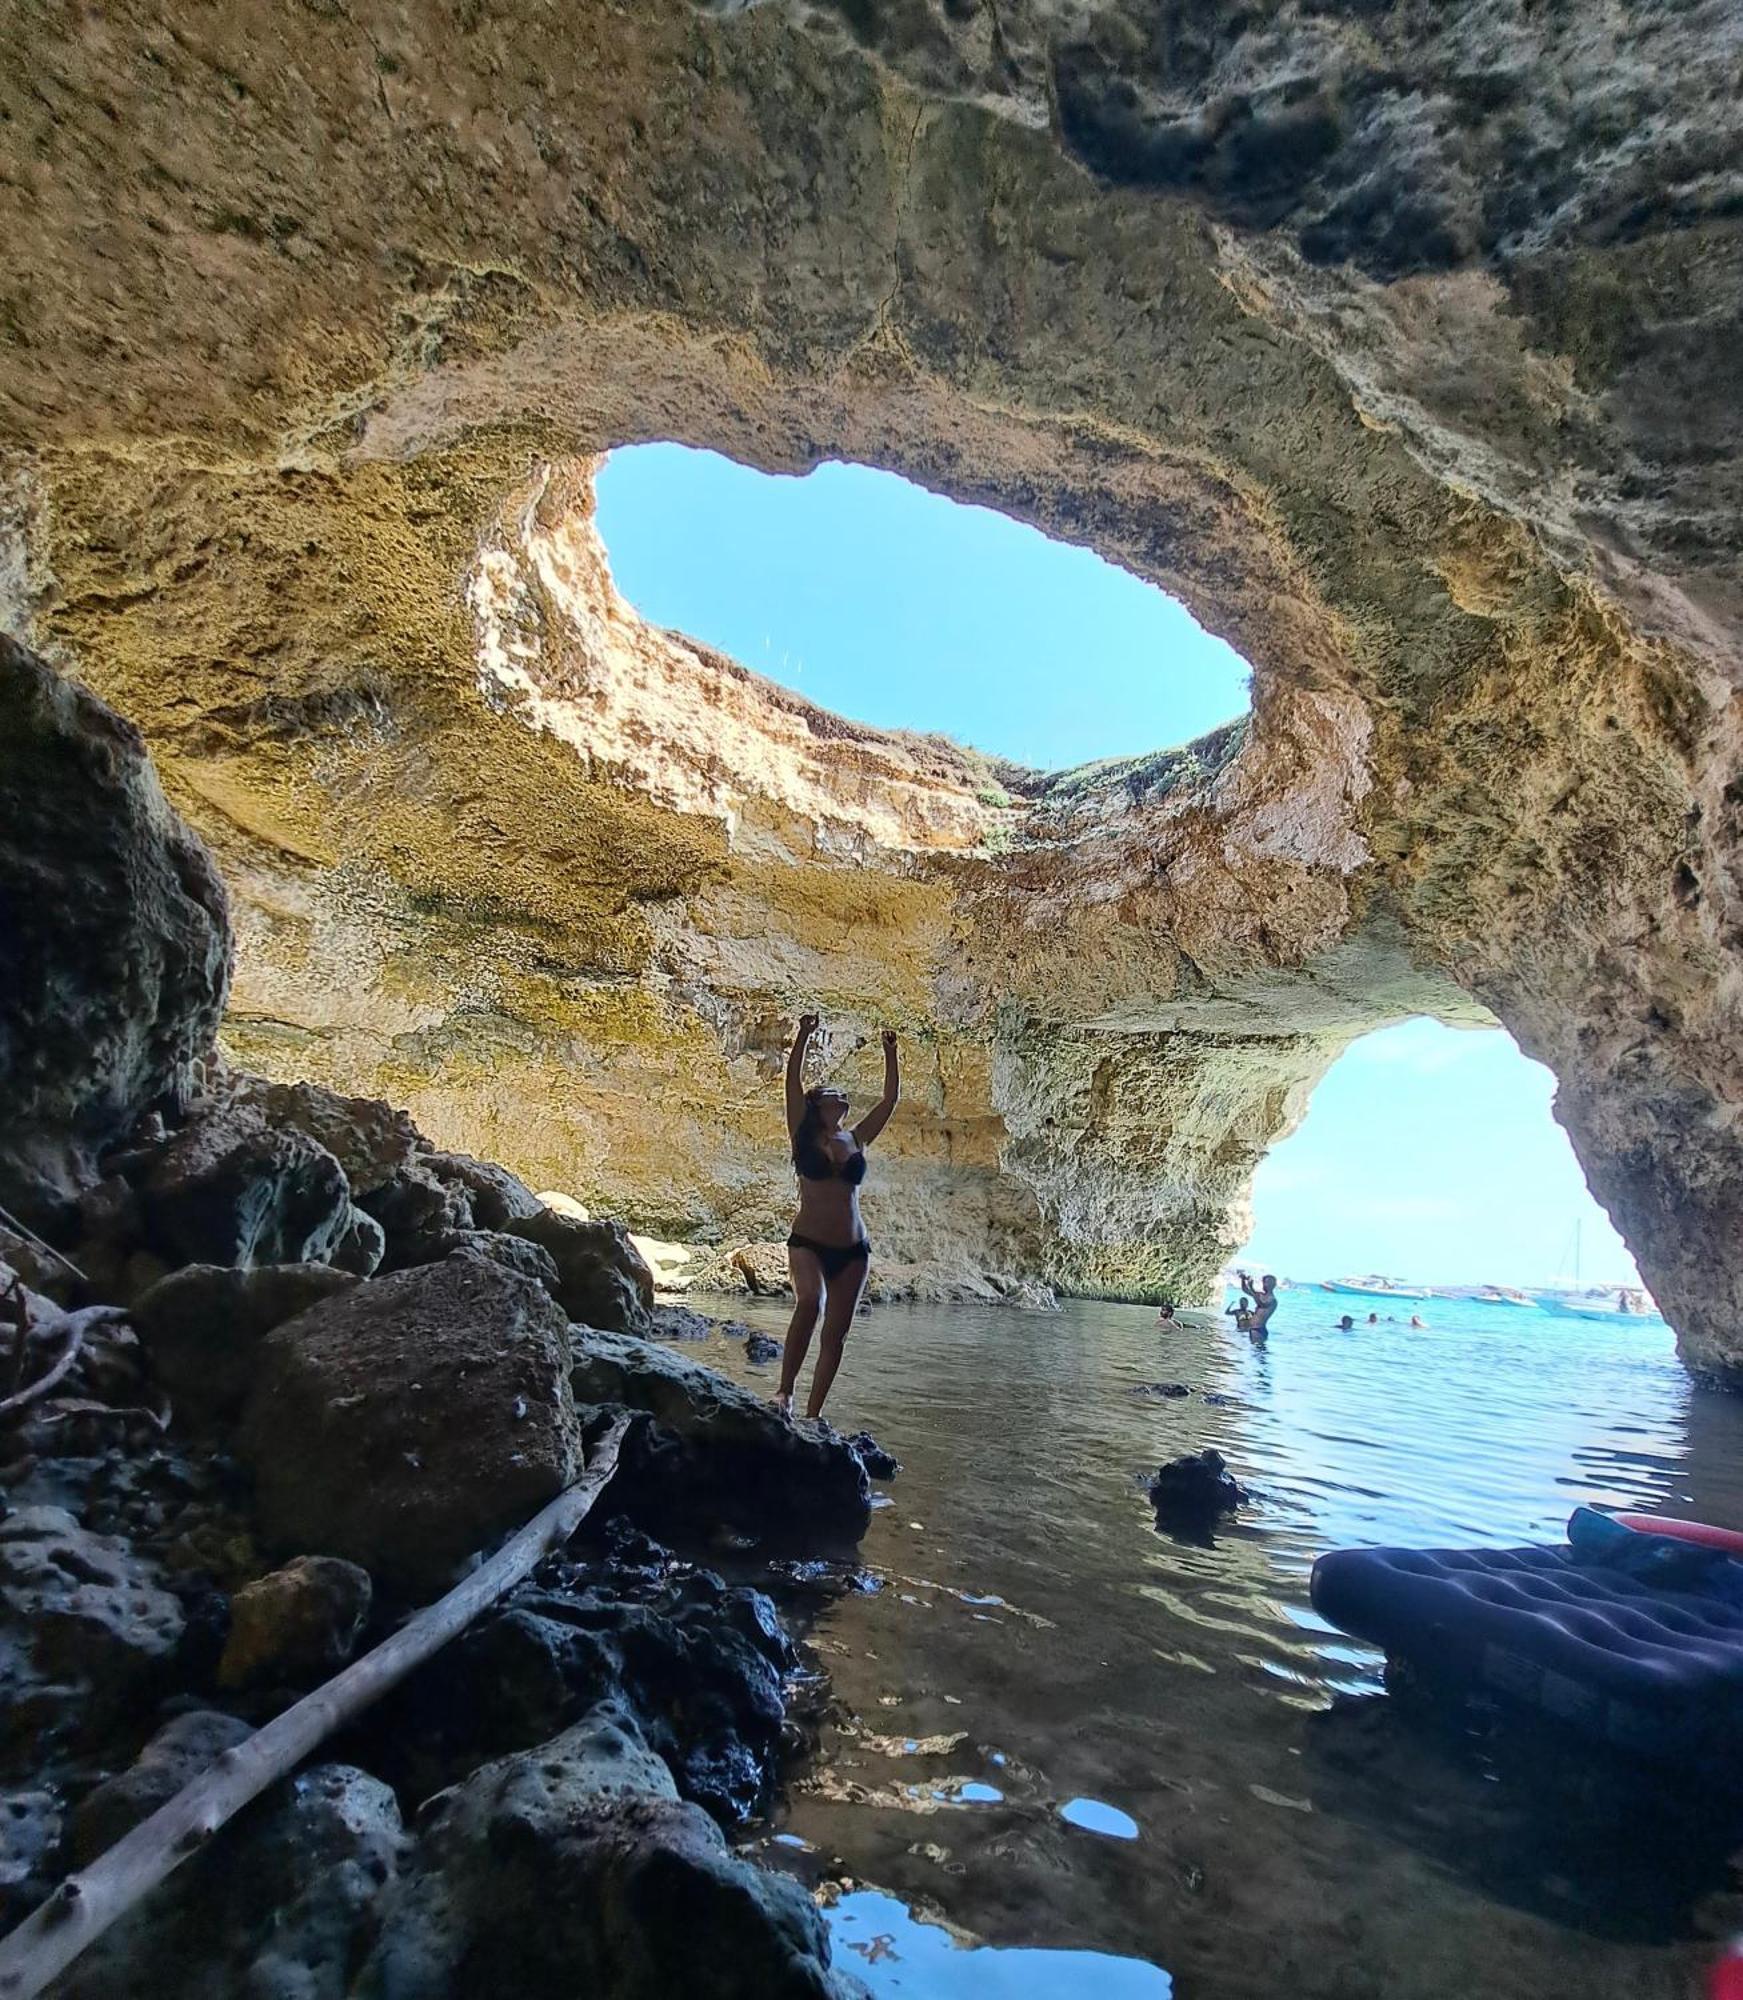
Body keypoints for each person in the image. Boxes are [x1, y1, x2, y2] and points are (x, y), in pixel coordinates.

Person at [775, 1012, 899, 1421]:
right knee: (809, 1302)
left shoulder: (856, 1138)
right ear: (817, 1103)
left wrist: (890, 1053)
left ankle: (813, 1415)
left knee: (836, 1335)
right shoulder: (801, 1131)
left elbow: (888, 1102)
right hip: (808, 1241)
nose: (841, 1096)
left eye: (843, 1094)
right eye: (833, 1092)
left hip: (853, 1249)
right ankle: (785, 1393)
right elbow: (791, 1082)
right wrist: (803, 1036)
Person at [1236, 1270, 1278, 1337]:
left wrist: (1251, 1287)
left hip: (1259, 1330)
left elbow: (1261, 1304)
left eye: (1266, 1282)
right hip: (1253, 1329)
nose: (1264, 1284)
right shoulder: (1261, 1295)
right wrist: (1243, 1279)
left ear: (1273, 1285)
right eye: (1263, 1282)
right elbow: (1245, 1290)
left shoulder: (1273, 1300)